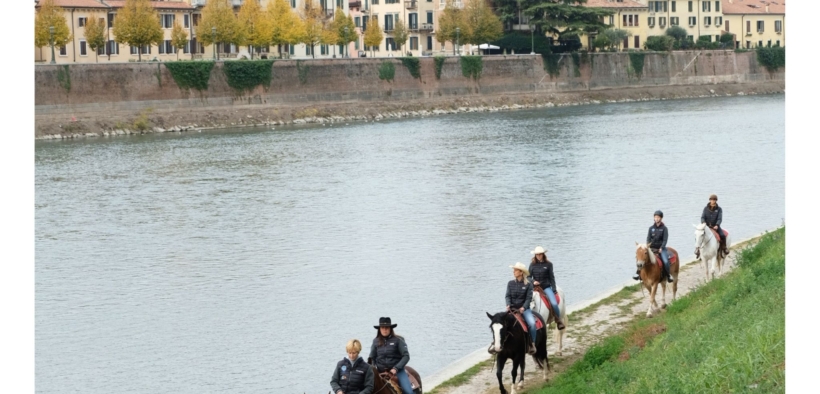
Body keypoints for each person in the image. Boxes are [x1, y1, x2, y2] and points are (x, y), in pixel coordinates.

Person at [368, 317, 413, 394]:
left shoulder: (398, 340)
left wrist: (396, 368)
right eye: (382, 328)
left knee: (408, 392)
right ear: (379, 329)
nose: (384, 330)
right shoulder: (375, 341)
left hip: (397, 371)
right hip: (380, 371)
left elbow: (406, 356)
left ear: (390, 328)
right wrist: (373, 370)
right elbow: (372, 358)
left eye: (387, 328)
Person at [528, 246, 565, 330]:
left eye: (540, 254)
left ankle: (558, 320)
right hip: (535, 288)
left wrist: (554, 289)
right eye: (537, 254)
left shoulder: (549, 264)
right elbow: (528, 277)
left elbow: (552, 277)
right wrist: (533, 281)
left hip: (545, 287)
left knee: (554, 303)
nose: (538, 256)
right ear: (535, 255)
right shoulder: (532, 265)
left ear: (543, 254)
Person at [506, 262, 538, 355]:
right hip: (512, 309)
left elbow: (528, 298)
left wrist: (523, 307)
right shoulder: (510, 283)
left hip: (524, 309)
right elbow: (507, 296)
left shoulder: (528, 284)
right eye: (514, 270)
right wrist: (508, 304)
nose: (513, 272)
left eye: (515, 270)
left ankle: (532, 343)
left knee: (532, 324)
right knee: (500, 323)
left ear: (521, 272)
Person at [634, 210, 674, 283]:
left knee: (665, 261)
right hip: (651, 248)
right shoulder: (651, 228)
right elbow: (648, 238)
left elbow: (665, 240)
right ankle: (638, 274)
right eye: (655, 217)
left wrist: (661, 247)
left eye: (658, 217)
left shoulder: (664, 229)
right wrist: (647, 247)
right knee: (641, 258)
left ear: (661, 218)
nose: (656, 218)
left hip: (661, 249)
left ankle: (668, 275)